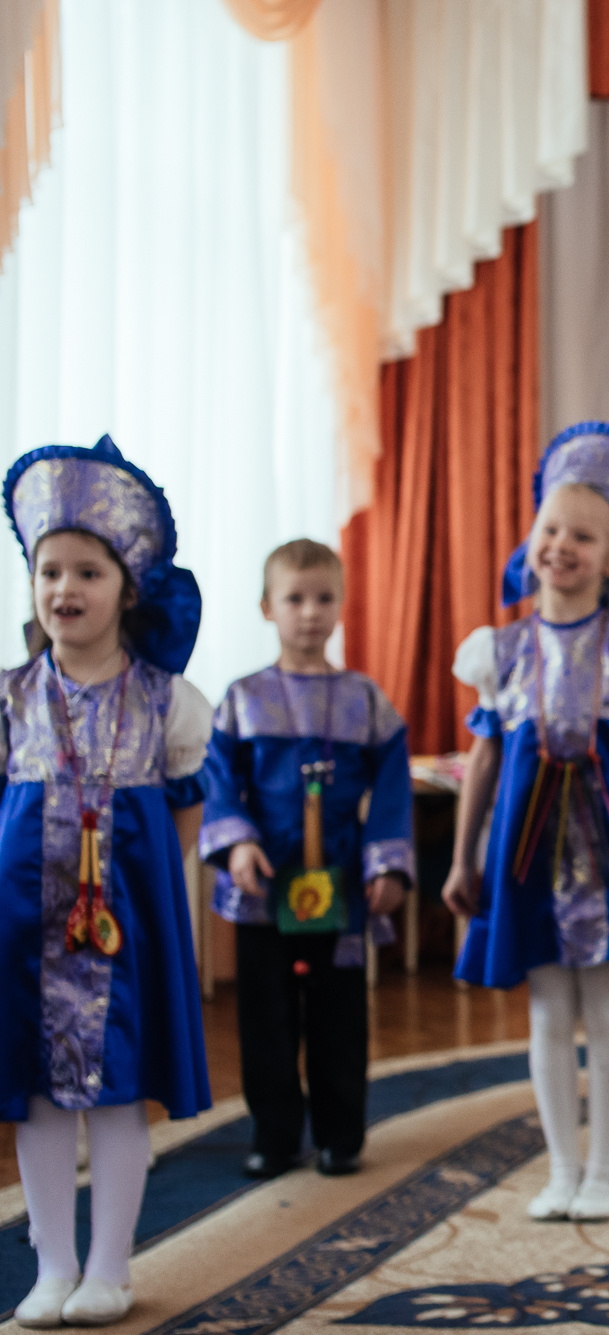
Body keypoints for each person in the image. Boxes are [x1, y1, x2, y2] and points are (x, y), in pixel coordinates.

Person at [442, 422, 609, 1224]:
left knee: (606, 1009)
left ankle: (606, 1168)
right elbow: (481, 762)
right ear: (531, 538)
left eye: (584, 535)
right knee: (548, 1010)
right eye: (551, 529)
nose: (562, 545)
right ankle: (561, 1166)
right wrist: (461, 857)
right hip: (525, 857)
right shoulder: (501, 651)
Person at [0, 437, 212, 1327]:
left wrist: (167, 918)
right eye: (50, 570)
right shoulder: (8, 698)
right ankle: (51, 1265)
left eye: (87, 570)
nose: (64, 589)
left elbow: (186, 822)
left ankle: (110, 1266)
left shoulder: (172, 701)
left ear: (128, 587)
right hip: (23, 928)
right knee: (39, 1095)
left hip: (127, 927)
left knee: (120, 1092)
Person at [199, 539, 414, 1180]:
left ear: (342, 607)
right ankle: (274, 1134)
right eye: (294, 598)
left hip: (341, 892)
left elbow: (394, 783)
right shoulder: (242, 699)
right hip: (266, 893)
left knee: (339, 1016)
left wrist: (388, 865)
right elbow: (217, 780)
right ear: (268, 607)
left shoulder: (364, 699)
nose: (310, 613)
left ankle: (340, 1136)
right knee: (265, 1016)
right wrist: (237, 841)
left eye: (324, 598)